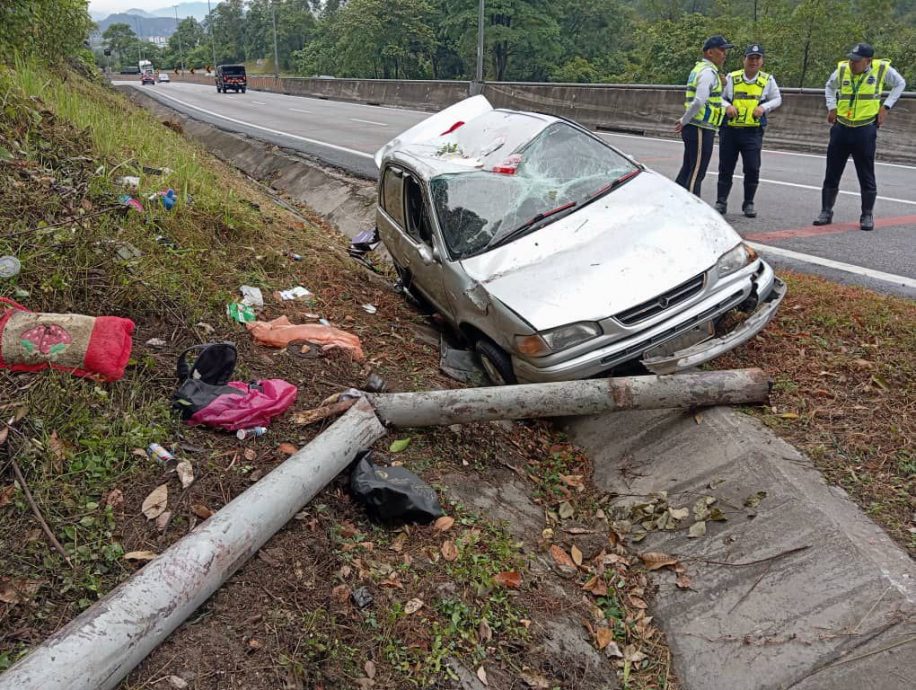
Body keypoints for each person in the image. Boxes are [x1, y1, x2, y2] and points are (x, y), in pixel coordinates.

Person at [813, 43, 906, 231]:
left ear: (868, 61)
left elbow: (900, 83)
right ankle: (826, 211)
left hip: (864, 128)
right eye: (851, 59)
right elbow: (829, 87)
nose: (852, 63)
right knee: (832, 171)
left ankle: (867, 214)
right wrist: (832, 107)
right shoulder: (842, 69)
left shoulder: (881, 69)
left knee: (866, 173)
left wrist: (886, 106)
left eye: (856, 61)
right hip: (841, 127)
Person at [715, 44, 782, 217]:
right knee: (725, 167)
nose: (753, 62)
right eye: (750, 58)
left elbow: (777, 99)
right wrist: (727, 106)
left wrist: (764, 108)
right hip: (730, 129)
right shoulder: (732, 77)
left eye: (757, 58)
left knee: (752, 168)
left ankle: (749, 203)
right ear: (744, 59)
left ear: (762, 61)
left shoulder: (767, 80)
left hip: (752, 131)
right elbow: (718, 98)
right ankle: (721, 202)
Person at [675, 35, 733, 196]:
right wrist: (684, 120)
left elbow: (711, 98)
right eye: (721, 50)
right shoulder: (708, 72)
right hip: (699, 127)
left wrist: (721, 86)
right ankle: (693, 212)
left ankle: (674, 201)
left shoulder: (702, 70)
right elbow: (699, 100)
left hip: (699, 126)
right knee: (696, 173)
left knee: (688, 169)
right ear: (709, 53)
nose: (724, 54)